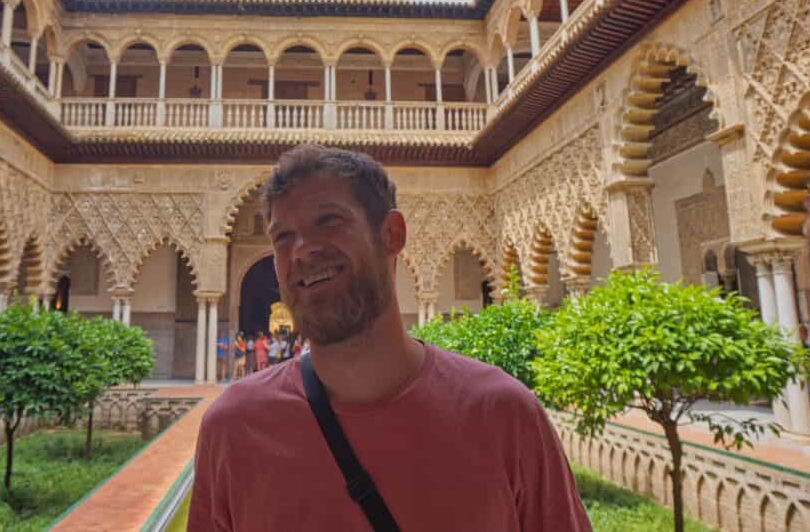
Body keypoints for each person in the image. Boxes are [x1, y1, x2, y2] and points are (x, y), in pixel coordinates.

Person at [189, 144, 590, 531]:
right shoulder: (233, 430)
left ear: (392, 233)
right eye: (282, 237)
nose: (302, 250)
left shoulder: (505, 416)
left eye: (328, 221)